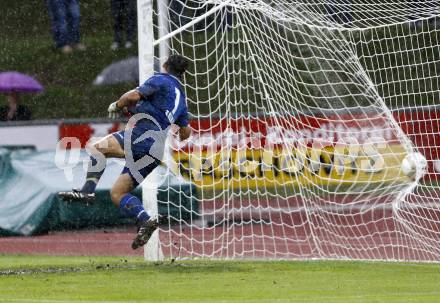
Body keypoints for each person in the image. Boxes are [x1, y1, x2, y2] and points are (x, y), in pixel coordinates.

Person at [58, 54, 191, 250]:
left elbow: (132, 96)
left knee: (95, 145)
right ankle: (145, 220)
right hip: (155, 151)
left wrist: (117, 105)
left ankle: (87, 192)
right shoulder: (181, 96)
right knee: (118, 193)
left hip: (141, 137)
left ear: (165, 65)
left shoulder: (159, 79)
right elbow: (186, 132)